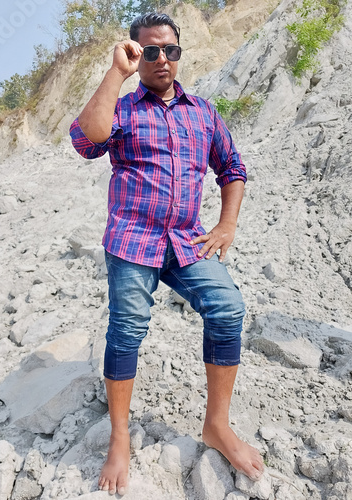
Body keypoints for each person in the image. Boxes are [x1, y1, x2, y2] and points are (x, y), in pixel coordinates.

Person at [70, 12, 264, 496]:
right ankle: (119, 437)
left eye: (170, 50)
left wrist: (226, 224)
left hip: (185, 239)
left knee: (228, 309)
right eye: (149, 51)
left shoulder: (202, 111)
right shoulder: (123, 108)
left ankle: (216, 425)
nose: (161, 59)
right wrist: (117, 72)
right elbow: (86, 140)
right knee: (128, 328)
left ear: (179, 54)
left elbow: (232, 168)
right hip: (133, 240)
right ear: (136, 54)